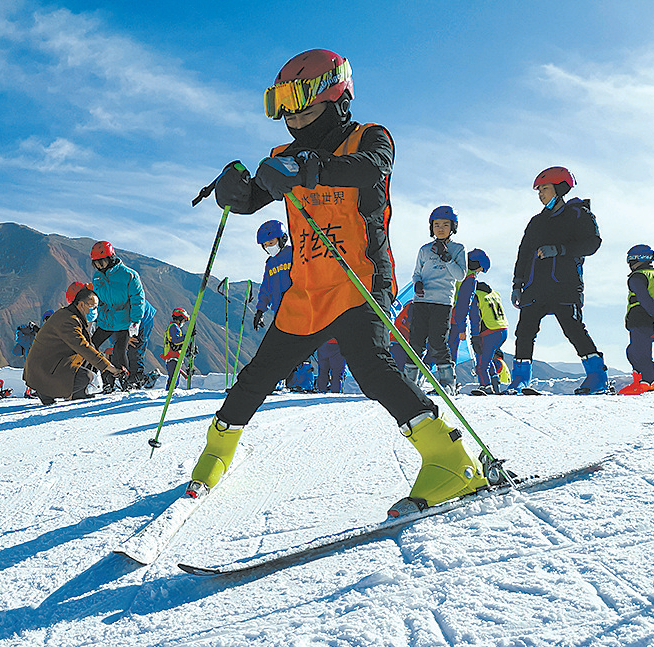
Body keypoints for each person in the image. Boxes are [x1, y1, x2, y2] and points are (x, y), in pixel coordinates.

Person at [192, 48, 489, 515]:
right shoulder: (284, 155)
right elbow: (253, 197)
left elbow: (372, 168)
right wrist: (234, 189)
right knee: (258, 375)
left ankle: (450, 459)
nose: (291, 120)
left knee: (372, 368)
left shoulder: (370, 138)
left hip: (361, 279)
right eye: (283, 110)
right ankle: (217, 450)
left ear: (335, 98)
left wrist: (310, 168)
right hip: (307, 288)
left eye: (302, 107)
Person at [510, 167, 606, 394]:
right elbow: (523, 253)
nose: (540, 194)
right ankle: (520, 380)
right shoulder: (535, 222)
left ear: (560, 188)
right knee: (524, 331)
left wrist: (560, 249)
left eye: (545, 188)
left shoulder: (579, 214)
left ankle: (597, 377)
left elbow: (592, 243)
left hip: (565, 285)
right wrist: (517, 283)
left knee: (573, 329)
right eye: (539, 190)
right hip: (534, 286)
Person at [24, 287, 127, 404]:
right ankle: (47, 392)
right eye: (93, 307)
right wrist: (111, 368)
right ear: (81, 305)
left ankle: (78, 394)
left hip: (49, 363)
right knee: (85, 377)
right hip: (43, 370)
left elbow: (89, 346)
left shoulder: (71, 316)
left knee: (87, 365)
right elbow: (83, 347)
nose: (95, 311)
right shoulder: (68, 321)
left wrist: (105, 366)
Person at [406, 206, 467, 391]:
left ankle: (448, 382)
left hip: (442, 302)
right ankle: (410, 382)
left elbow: (460, 275)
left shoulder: (458, 249)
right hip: (421, 301)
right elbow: (416, 273)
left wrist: (447, 258)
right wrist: (417, 283)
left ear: (453, 227)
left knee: (438, 342)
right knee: (415, 341)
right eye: (436, 224)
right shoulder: (425, 250)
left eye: (445, 224)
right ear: (431, 227)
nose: (440, 228)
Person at [619, 245, 654, 395]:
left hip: (642, 318)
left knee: (640, 352)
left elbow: (644, 298)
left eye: (630, 260)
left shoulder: (638, 276)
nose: (629, 264)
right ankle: (639, 381)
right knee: (633, 350)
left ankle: (648, 383)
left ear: (640, 258)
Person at [89, 241, 146, 393]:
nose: (100, 266)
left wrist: (135, 322)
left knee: (119, 351)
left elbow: (137, 299)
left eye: (102, 262)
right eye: (96, 263)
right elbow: (97, 300)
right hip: (105, 321)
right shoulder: (97, 277)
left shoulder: (129, 275)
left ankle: (125, 381)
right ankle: (101, 378)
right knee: (90, 346)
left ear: (111, 257)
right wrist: (94, 319)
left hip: (123, 322)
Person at [449, 248, 490, 364]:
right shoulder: (470, 278)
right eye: (480, 270)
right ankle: (447, 380)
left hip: (435, 308)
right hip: (452, 317)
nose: (477, 273)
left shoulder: (454, 266)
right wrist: (462, 328)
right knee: (450, 350)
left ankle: (416, 375)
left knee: (433, 348)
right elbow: (463, 304)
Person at [469, 280, 509, 393]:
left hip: (489, 332)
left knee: (481, 364)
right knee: (488, 358)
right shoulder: (494, 293)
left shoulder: (475, 295)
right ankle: (495, 383)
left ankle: (485, 386)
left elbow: (475, 318)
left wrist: (474, 336)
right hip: (503, 330)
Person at [253, 220, 293, 330]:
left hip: (300, 307)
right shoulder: (270, 263)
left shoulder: (294, 254)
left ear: (282, 239)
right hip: (280, 312)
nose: (268, 247)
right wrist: (260, 310)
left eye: (271, 243)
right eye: (265, 245)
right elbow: (266, 288)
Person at [162, 307, 190, 389]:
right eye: (184, 320)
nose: (184, 322)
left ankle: (169, 392)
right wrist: (186, 336)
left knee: (174, 379)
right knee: (174, 380)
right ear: (180, 318)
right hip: (172, 357)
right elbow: (175, 341)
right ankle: (169, 394)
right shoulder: (174, 327)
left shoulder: (173, 327)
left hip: (172, 357)